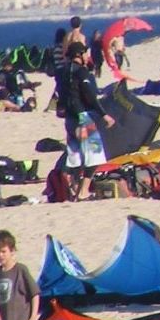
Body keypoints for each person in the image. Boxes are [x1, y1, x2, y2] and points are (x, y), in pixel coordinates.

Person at [60, 42, 115, 201]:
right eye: (85, 53)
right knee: (94, 155)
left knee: (75, 157)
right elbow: (89, 96)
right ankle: (83, 192)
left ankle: (75, 190)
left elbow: (61, 94)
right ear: (79, 54)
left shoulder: (62, 71)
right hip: (83, 118)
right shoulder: (82, 72)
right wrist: (104, 114)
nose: (87, 56)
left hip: (69, 119)